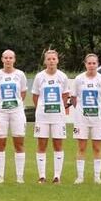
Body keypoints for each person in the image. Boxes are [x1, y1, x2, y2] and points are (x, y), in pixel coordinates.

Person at [69, 54, 101, 184]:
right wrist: (80, 110)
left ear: (97, 64)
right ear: (85, 64)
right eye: (89, 63)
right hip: (82, 119)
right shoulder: (79, 79)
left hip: (97, 119)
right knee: (81, 147)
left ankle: (97, 177)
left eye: (94, 63)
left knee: (97, 147)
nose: (91, 66)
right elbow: (73, 97)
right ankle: (80, 177)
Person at [0, 49, 29, 183]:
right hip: (0, 113)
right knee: (0, 143)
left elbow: (23, 93)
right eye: (5, 58)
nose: (8, 60)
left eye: (10, 58)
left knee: (19, 143)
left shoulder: (20, 74)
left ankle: (20, 177)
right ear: (2, 59)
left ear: (14, 59)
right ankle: (0, 176)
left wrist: (15, 104)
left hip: (17, 112)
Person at [31, 50, 70, 183]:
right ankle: (42, 176)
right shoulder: (39, 77)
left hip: (58, 116)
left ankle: (57, 176)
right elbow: (35, 96)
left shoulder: (62, 76)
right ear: (45, 61)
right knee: (42, 144)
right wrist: (41, 109)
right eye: (49, 59)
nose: (51, 61)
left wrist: (59, 108)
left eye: (53, 59)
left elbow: (65, 95)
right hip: (42, 116)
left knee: (58, 144)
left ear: (57, 60)